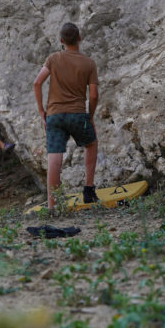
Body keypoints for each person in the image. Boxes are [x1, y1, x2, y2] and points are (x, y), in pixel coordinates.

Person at [32, 23, 98, 209]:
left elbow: (37, 83)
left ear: (61, 41)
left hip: (54, 116)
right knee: (91, 144)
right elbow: (93, 95)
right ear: (79, 38)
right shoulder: (89, 63)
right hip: (78, 116)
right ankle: (89, 190)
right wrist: (90, 117)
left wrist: (41, 112)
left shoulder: (53, 58)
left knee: (54, 158)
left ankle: (52, 206)